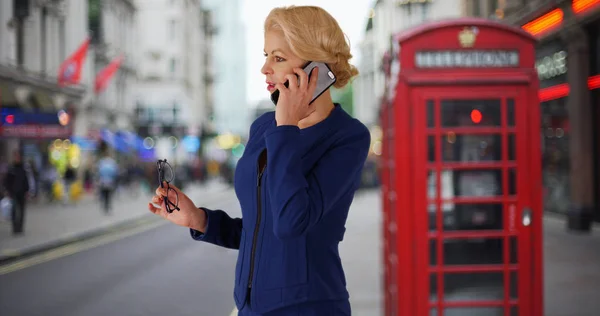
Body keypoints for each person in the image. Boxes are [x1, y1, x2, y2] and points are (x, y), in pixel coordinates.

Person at [148, 6, 370, 315]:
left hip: (310, 308)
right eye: (266, 56)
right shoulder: (264, 128)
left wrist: (287, 128)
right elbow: (259, 231)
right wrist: (199, 219)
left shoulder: (347, 137)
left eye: (278, 58)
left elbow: (291, 222)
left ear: (315, 69)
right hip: (250, 307)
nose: (265, 69)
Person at [3, 150, 30, 235]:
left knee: (22, 211)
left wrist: (27, 190)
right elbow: (7, 181)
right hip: (13, 193)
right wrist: (7, 190)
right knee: (14, 211)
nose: (17, 158)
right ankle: (15, 228)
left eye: (18, 157)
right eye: (15, 156)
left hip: (22, 193)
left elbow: (26, 180)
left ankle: (20, 228)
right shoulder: (11, 168)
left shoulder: (23, 168)